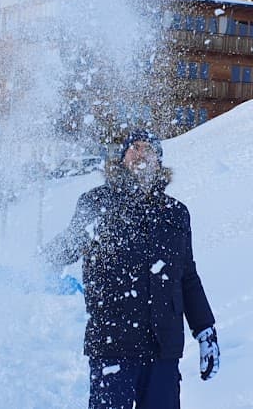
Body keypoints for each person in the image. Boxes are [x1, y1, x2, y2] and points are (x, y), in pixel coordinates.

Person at [45, 129, 220, 409]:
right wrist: (33, 264)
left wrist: (205, 330)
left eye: (148, 149)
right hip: (113, 344)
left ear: (158, 161)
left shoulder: (175, 213)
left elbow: (187, 276)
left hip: (164, 348)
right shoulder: (97, 203)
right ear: (122, 157)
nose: (141, 154)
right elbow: (69, 244)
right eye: (134, 148)